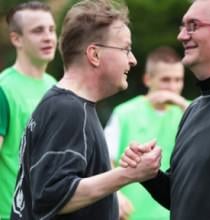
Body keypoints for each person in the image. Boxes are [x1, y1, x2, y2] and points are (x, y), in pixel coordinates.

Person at [10, 0, 162, 219]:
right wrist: (128, 174)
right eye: (126, 49)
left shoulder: (70, 105)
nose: (133, 60)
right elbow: (51, 195)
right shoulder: (68, 110)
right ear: (94, 54)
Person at [120, 0, 210, 219]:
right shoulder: (193, 110)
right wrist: (148, 174)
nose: (181, 35)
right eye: (183, 26)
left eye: (193, 26)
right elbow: (179, 198)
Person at [104, 46, 189, 220]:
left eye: (178, 80)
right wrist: (116, 195)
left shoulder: (191, 111)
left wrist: (183, 105)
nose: (173, 87)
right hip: (133, 215)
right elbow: (105, 158)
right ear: (148, 79)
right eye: (166, 79)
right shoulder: (124, 113)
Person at [0, 1, 57, 219]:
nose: (48, 37)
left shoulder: (54, 86)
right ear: (16, 39)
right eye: (37, 30)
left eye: (51, 29)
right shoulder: (3, 89)